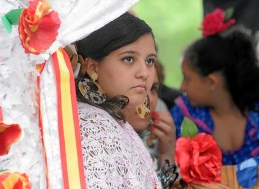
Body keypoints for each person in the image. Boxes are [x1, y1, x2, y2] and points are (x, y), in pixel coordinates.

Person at [75, 12, 162, 188]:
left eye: (150, 61)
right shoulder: (94, 126)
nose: (144, 73)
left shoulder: (109, 121)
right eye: (128, 59)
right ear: (93, 67)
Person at [171, 9, 259, 166]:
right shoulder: (185, 117)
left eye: (187, 79)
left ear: (211, 82)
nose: (182, 87)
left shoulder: (255, 114)